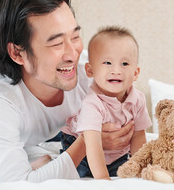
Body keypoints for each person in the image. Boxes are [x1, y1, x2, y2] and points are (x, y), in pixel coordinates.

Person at [0, 0, 134, 182]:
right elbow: (14, 184)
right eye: (56, 43)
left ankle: (33, 158)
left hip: (52, 128)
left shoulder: (90, 70)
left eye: (75, 37)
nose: (73, 54)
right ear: (17, 53)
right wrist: (88, 142)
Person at [61, 26, 152, 179]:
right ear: (90, 70)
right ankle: (47, 162)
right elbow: (93, 145)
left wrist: (140, 170)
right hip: (82, 146)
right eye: (107, 63)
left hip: (117, 153)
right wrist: (103, 180)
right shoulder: (92, 103)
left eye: (124, 64)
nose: (116, 70)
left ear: (135, 73)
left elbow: (139, 137)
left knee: (121, 171)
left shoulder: (138, 99)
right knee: (78, 173)